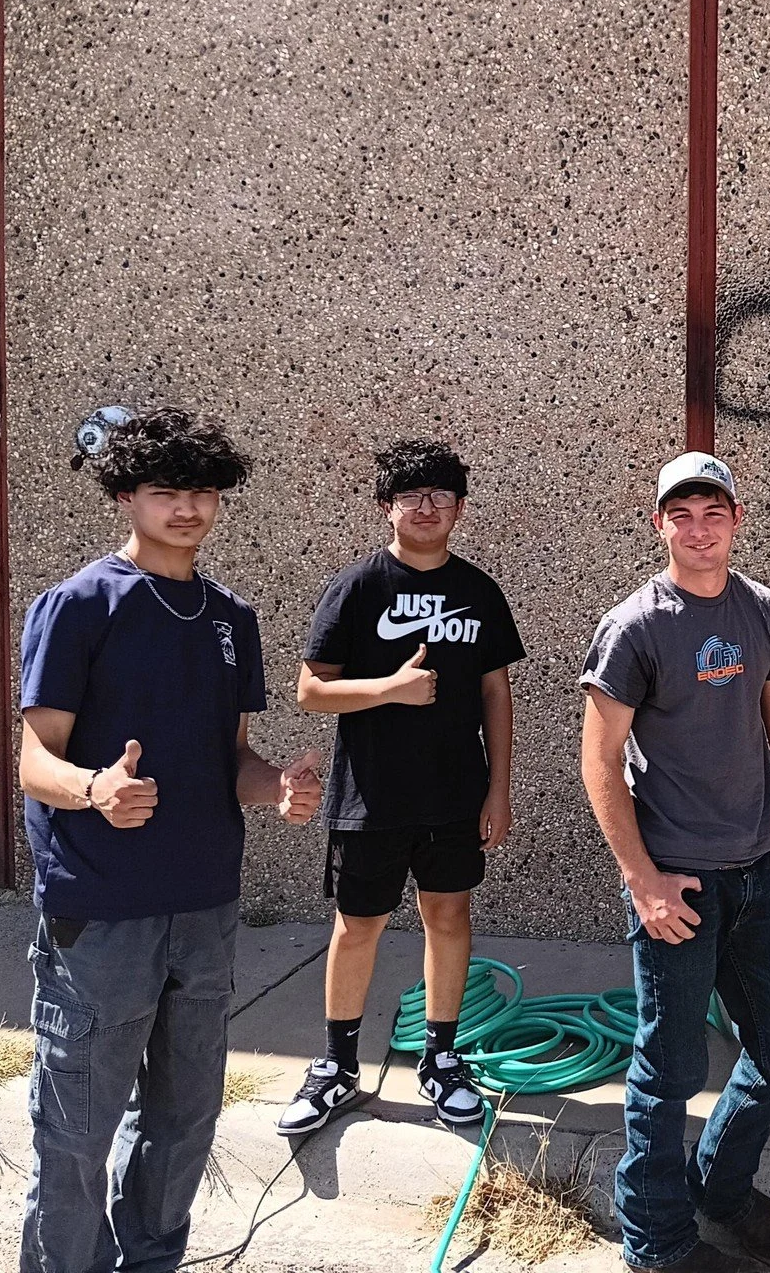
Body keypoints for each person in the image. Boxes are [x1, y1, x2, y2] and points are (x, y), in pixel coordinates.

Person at [17, 407, 322, 1273]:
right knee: (76, 1129)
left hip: (205, 904)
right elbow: (32, 756)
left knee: (185, 1120)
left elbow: (231, 758)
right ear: (125, 497)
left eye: (201, 492)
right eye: (164, 493)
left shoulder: (231, 616)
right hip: (102, 907)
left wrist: (277, 791)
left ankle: (151, 1260)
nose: (186, 509)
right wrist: (93, 789)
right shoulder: (79, 606)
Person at [580, 452, 770, 1273]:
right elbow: (599, 760)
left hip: (760, 874)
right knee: (670, 1070)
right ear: (659, 523)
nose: (698, 529)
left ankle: (720, 1191)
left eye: (713, 512)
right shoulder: (636, 626)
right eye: (681, 514)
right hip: (677, 881)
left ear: (736, 518)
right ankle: (654, 1242)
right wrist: (642, 879)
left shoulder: (760, 609)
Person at [275, 439, 525, 1136]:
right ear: (387, 507)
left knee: (449, 919)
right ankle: (335, 1067)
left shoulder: (478, 590)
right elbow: (309, 691)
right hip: (370, 797)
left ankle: (442, 1060)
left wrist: (498, 788)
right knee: (358, 927)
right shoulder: (356, 587)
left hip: (454, 795)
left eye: (439, 496)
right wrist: (389, 689)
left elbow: (497, 695)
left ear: (460, 509)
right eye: (411, 496)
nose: (425, 507)